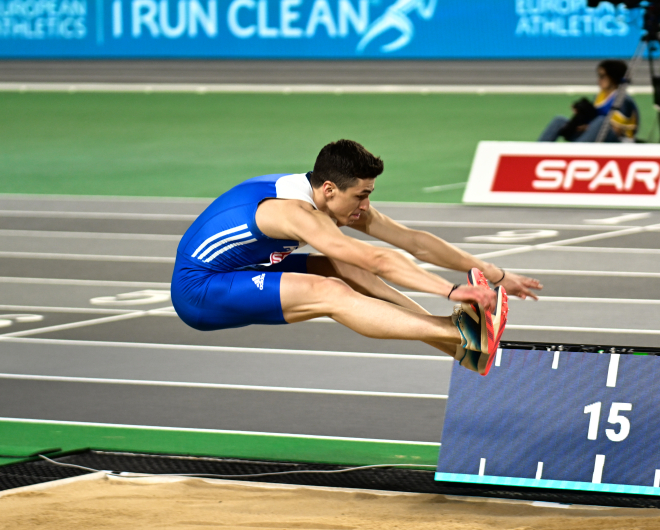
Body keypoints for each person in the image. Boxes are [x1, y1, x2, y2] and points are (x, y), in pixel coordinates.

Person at [171, 140, 543, 375]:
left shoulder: (331, 198)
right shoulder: (294, 213)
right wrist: (451, 290)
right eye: (360, 196)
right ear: (329, 189)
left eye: (369, 195)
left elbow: (413, 242)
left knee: (342, 265)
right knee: (330, 290)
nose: (365, 207)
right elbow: (378, 260)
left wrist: (495, 273)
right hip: (200, 290)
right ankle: (455, 333)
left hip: (248, 264)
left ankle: (459, 342)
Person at [538, 59, 639, 143]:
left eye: (602, 76)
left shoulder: (623, 100)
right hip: (596, 137)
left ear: (613, 77)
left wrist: (590, 128)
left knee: (601, 122)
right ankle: (536, 154)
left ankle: (574, 153)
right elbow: (593, 122)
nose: (598, 80)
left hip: (620, 143)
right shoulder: (599, 96)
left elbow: (617, 131)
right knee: (559, 121)